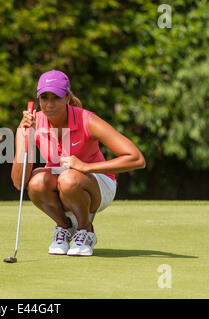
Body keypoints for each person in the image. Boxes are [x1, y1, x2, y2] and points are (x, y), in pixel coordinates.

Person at [11, 69, 145, 257]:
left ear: (67, 98)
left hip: (99, 184)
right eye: (44, 98)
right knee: (36, 183)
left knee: (68, 178)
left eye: (55, 98)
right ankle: (65, 228)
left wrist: (86, 166)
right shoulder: (33, 123)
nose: (49, 105)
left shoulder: (86, 120)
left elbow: (136, 158)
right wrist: (26, 137)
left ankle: (85, 230)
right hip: (63, 181)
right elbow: (19, 183)